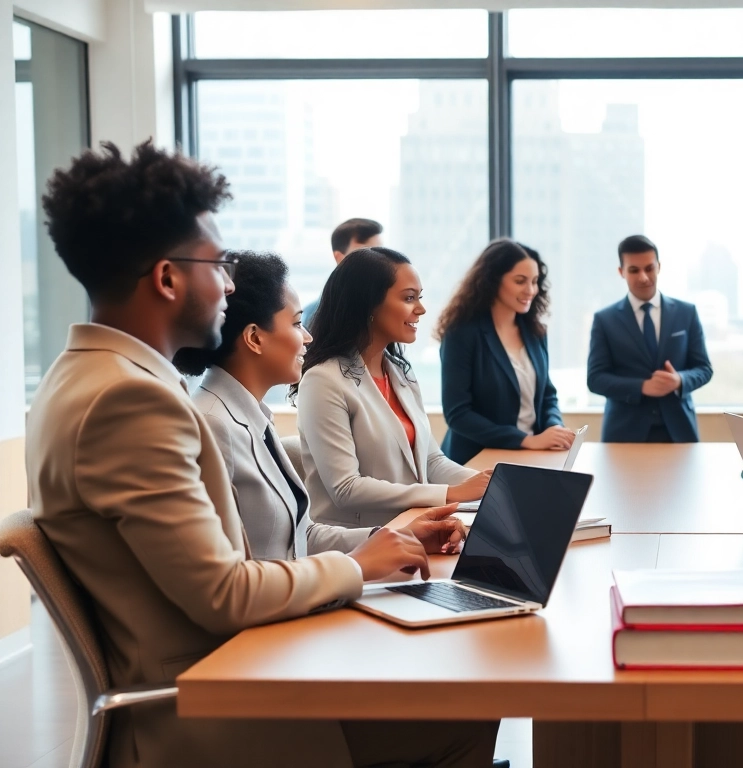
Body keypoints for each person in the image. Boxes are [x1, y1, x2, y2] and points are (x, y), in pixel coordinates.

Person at [29, 141, 498, 768]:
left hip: (242, 667)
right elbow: (224, 592)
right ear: (168, 278)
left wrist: (383, 543)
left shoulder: (99, 379)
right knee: (465, 712)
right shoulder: (129, 402)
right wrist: (361, 566)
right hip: (220, 704)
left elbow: (262, 548)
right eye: (217, 263)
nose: (228, 281)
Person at [175, 250, 470, 561]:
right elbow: (232, 575)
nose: (307, 337)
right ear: (255, 339)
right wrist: (359, 567)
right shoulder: (213, 425)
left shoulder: (254, 418)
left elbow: (301, 536)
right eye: (297, 324)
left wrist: (403, 535)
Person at [297, 246, 491, 529]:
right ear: (369, 305)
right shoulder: (322, 380)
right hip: (356, 546)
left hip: (411, 529)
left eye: (419, 298)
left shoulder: (400, 372)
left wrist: (491, 484)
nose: (421, 309)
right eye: (409, 298)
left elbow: (432, 462)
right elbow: (346, 488)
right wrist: (450, 494)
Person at [437, 239, 573, 464]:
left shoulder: (535, 332)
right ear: (492, 281)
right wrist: (525, 440)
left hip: (531, 456)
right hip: (476, 460)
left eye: (535, 281)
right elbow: (458, 415)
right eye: (520, 281)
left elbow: (547, 394)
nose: (530, 290)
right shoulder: (461, 333)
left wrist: (554, 428)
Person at [587, 234, 713, 442]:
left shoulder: (686, 312)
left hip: (679, 431)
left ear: (659, 267)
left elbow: (704, 369)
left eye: (649, 268)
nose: (643, 277)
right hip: (624, 434)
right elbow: (595, 379)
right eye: (634, 270)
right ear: (621, 272)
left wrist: (679, 380)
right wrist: (641, 387)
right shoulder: (604, 320)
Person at [301, 217, 383, 328]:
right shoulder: (316, 314)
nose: (378, 260)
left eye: (381, 252)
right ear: (339, 258)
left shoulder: (384, 301)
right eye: (366, 253)